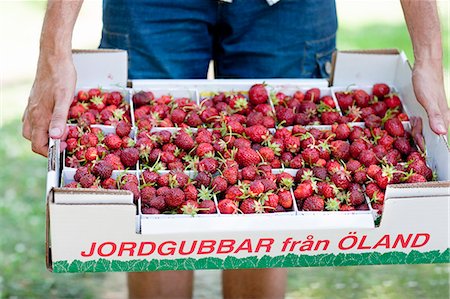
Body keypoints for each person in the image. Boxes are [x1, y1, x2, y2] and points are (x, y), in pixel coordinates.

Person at [22, 0, 448, 298]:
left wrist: (427, 54)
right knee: (140, 216)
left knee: (266, 227)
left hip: (285, 6)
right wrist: (53, 50)